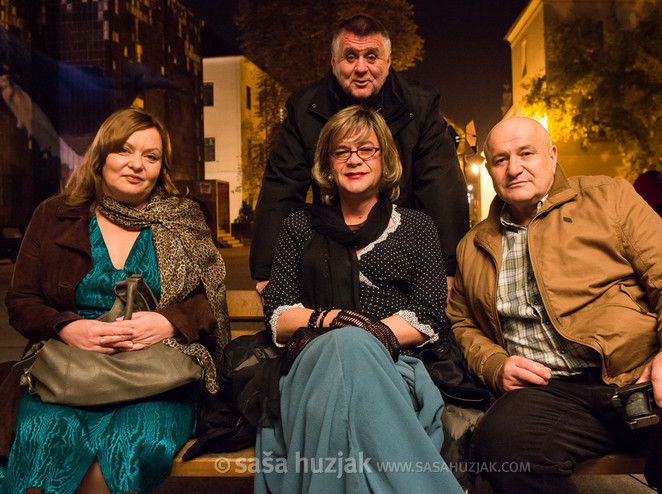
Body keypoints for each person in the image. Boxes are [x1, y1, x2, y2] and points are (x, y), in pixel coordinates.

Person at [447, 116, 662, 493]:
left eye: (526, 153)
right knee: (501, 444)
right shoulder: (473, 245)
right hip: (548, 393)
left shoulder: (609, 198)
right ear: (489, 170)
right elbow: (463, 323)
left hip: (641, 370)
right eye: (501, 159)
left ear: (552, 157)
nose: (514, 167)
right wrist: (494, 365)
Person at [2, 107, 229, 494]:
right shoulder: (55, 215)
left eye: (151, 156)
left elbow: (212, 300)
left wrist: (170, 322)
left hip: (158, 376)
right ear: (101, 155)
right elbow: (22, 301)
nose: (136, 165)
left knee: (132, 438)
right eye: (124, 150)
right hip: (68, 371)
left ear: (162, 167)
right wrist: (69, 328)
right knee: (45, 432)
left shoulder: (183, 219)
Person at [256, 105, 463, 493]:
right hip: (311, 365)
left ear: (384, 159)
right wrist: (338, 321)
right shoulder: (299, 226)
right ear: (327, 164)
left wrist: (361, 336)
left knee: (350, 364)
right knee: (345, 348)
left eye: (366, 149)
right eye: (341, 151)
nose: (354, 159)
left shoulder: (417, 227)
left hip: (395, 366)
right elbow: (279, 313)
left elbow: (431, 314)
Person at [250, 14, 468, 298]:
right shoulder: (306, 109)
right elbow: (281, 188)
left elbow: (441, 187)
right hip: (332, 243)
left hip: (403, 246)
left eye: (371, 56)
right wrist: (267, 270)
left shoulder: (420, 105)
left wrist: (447, 267)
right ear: (333, 62)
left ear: (388, 61)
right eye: (350, 57)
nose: (361, 68)